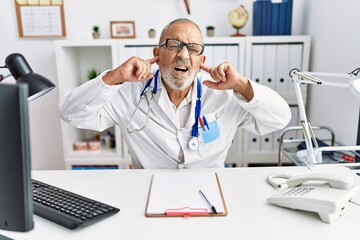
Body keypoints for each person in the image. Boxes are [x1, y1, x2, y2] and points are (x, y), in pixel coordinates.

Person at [60, 18, 291, 169]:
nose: (183, 54)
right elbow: (71, 114)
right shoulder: (128, 92)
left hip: (211, 190)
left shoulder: (224, 94)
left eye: (193, 48)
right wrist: (115, 77)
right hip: (147, 191)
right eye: (173, 45)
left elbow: (280, 118)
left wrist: (242, 85)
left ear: (201, 61)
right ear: (157, 53)